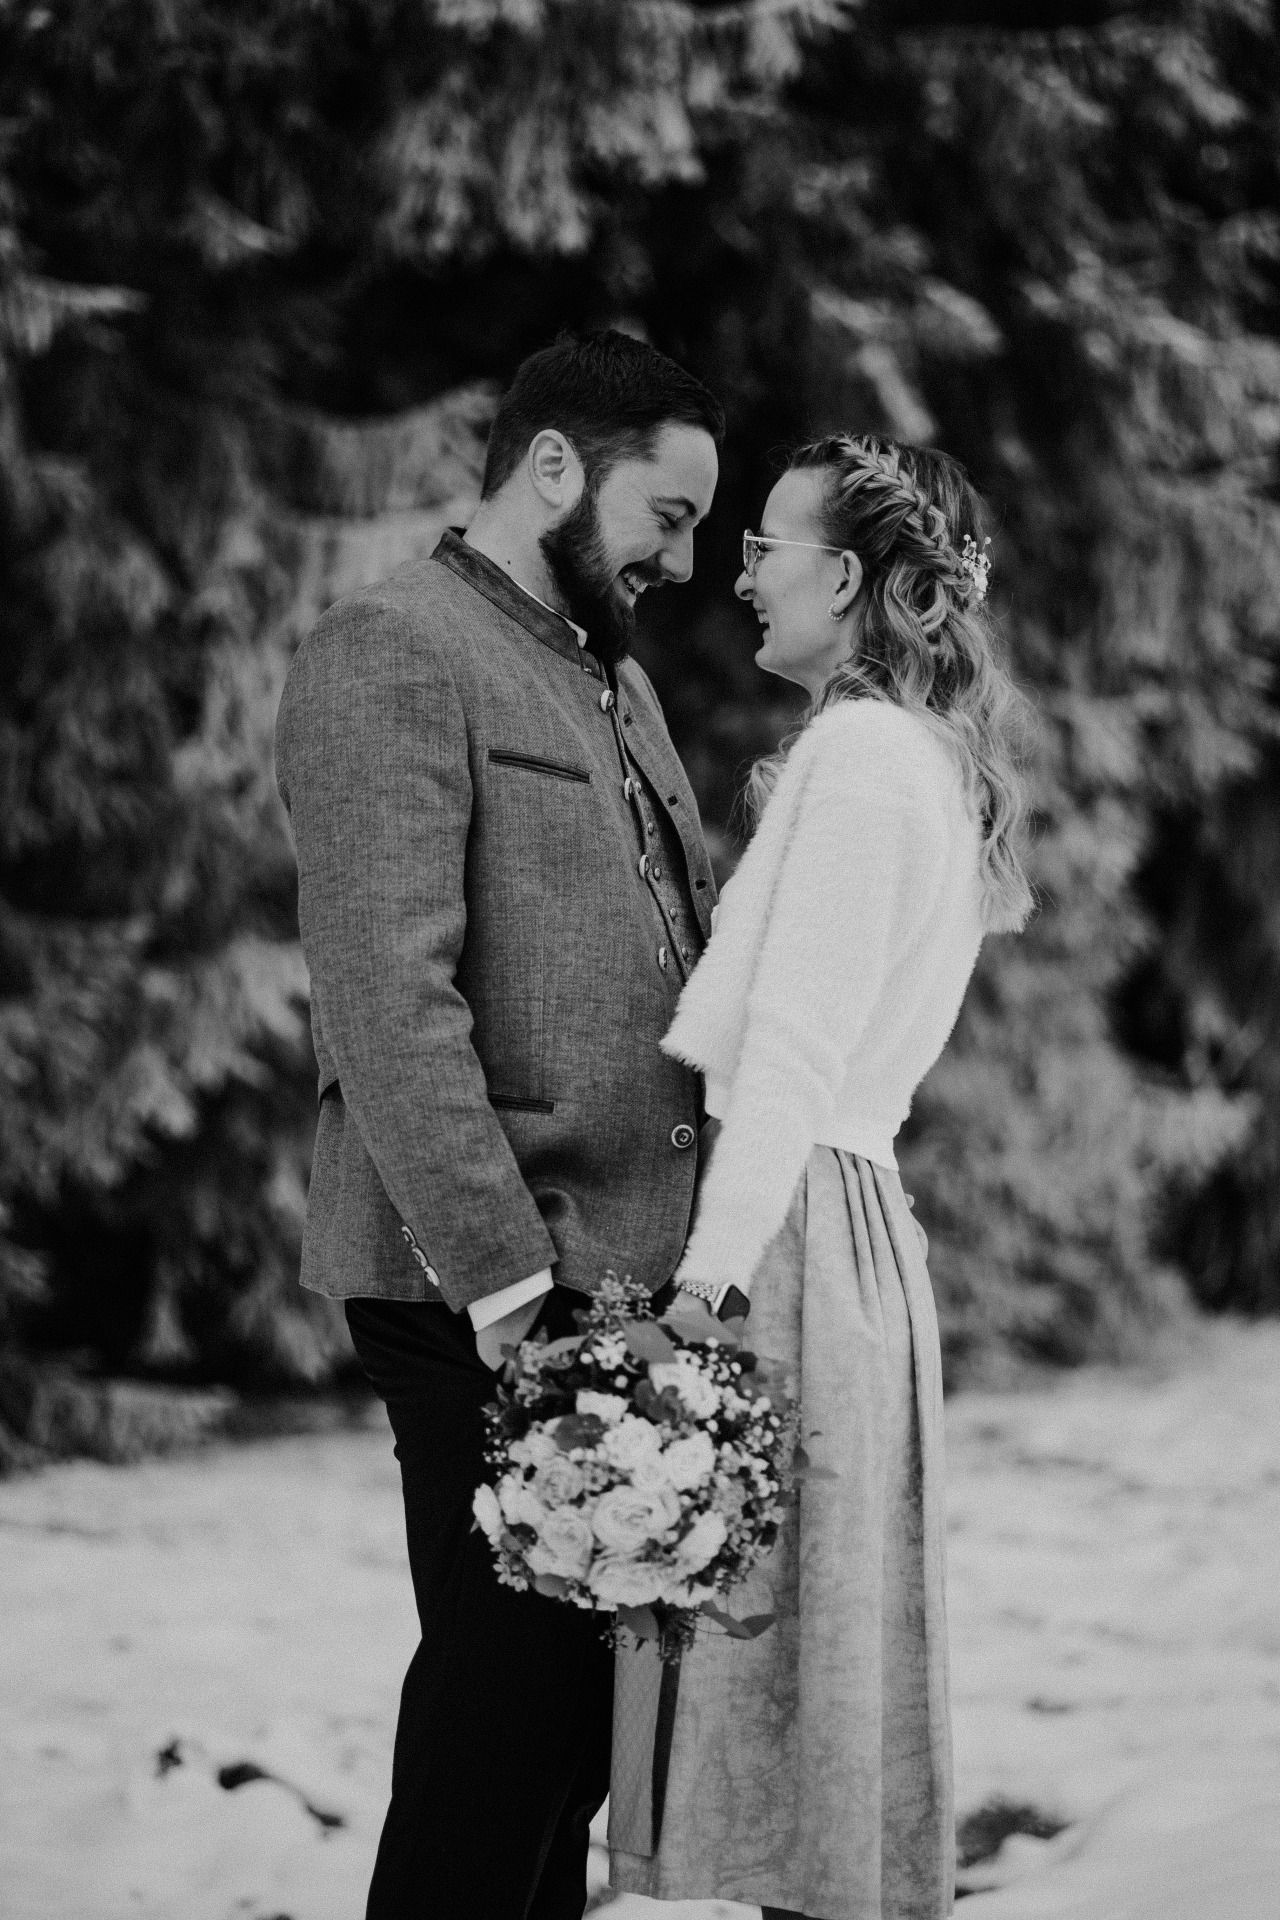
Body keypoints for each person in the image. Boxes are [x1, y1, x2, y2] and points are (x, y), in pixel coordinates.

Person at [273, 330, 724, 1920]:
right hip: (483, 1285)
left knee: (559, 1753)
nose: (685, 561)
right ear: (552, 467)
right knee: (500, 1745)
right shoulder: (392, 647)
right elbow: (386, 996)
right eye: (667, 515)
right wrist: (510, 1285)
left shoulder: (616, 678)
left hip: (618, 1289)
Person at [609, 434, 1034, 1920]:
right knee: (821, 1699)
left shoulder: (862, 760)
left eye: (765, 547)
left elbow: (790, 1056)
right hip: (849, 1229)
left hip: (791, 1229)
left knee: (786, 1693)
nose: (741, 576)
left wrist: (699, 1294)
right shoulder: (914, 757)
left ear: (847, 577)